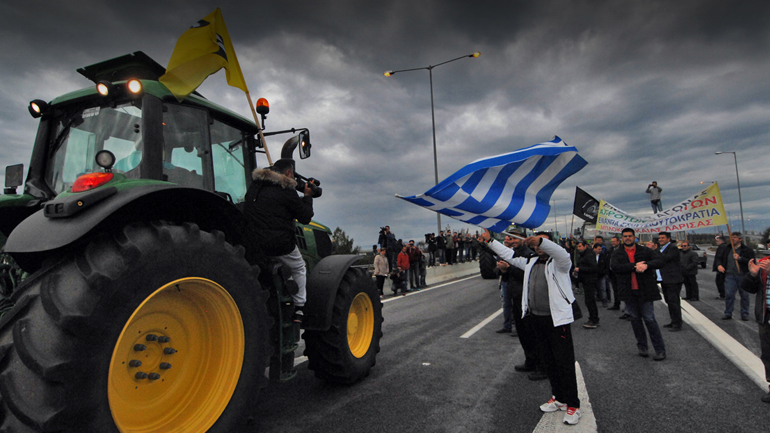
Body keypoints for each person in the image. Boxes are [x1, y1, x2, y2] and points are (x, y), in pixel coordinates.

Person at [480, 230, 582, 425]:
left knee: (564, 363)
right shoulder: (531, 261)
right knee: (549, 361)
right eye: (536, 244)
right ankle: (559, 398)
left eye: (542, 243)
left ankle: (573, 405)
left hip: (557, 321)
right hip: (536, 318)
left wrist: (542, 241)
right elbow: (509, 255)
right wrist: (490, 241)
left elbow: (563, 253)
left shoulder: (560, 263)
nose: (538, 247)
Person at [244, 158, 314, 320]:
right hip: (279, 243)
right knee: (298, 267)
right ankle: (299, 308)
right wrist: (308, 196)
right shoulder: (286, 190)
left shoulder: (255, 187)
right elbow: (305, 217)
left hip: (254, 243)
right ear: (288, 173)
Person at [611, 228, 666, 360]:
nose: (628, 238)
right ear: (622, 238)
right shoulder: (618, 253)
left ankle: (660, 350)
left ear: (634, 237)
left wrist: (646, 265)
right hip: (629, 291)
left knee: (650, 319)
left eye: (630, 236)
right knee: (635, 320)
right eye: (625, 236)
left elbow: (660, 261)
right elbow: (615, 268)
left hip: (645, 291)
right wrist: (634, 266)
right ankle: (642, 346)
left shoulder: (645, 251)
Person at [741, 241, 770, 403]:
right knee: (767, 354)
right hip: (766, 316)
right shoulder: (764, 263)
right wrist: (752, 275)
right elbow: (749, 288)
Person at [716, 232, 755, 321]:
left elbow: (752, 262)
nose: (732, 239)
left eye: (735, 237)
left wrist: (740, 259)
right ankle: (728, 313)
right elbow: (719, 258)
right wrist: (719, 265)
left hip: (743, 276)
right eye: (731, 237)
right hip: (730, 275)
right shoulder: (727, 248)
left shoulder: (747, 250)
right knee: (729, 295)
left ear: (740, 239)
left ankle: (745, 313)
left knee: (744, 295)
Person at [656, 232, 683, 331]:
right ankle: (673, 321)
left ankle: (677, 323)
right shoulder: (661, 249)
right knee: (669, 301)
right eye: (659, 238)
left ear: (668, 239)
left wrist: (655, 251)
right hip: (665, 279)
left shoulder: (672, 248)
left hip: (673, 279)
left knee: (674, 302)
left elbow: (666, 258)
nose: (660, 239)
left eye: (663, 238)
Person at [574, 241, 599, 329]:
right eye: (578, 246)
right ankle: (593, 318)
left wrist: (580, 269)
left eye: (580, 246)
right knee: (589, 301)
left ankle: (594, 319)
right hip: (585, 280)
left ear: (585, 246)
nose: (578, 248)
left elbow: (593, 268)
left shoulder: (589, 255)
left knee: (590, 301)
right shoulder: (583, 254)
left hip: (590, 280)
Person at [594, 243, 611, 307]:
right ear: (594, 249)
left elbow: (606, 265)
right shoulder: (591, 256)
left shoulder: (603, 256)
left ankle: (604, 301)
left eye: (601, 249)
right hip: (593, 275)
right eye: (599, 249)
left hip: (601, 274)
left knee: (603, 288)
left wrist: (605, 272)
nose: (600, 250)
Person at [713, 235, 730, 299]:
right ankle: (725, 294)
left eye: (717, 241)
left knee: (720, 281)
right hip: (724, 266)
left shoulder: (722, 247)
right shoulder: (726, 247)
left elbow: (719, 257)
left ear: (721, 241)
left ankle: (723, 294)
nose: (717, 242)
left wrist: (719, 265)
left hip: (722, 267)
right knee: (722, 281)